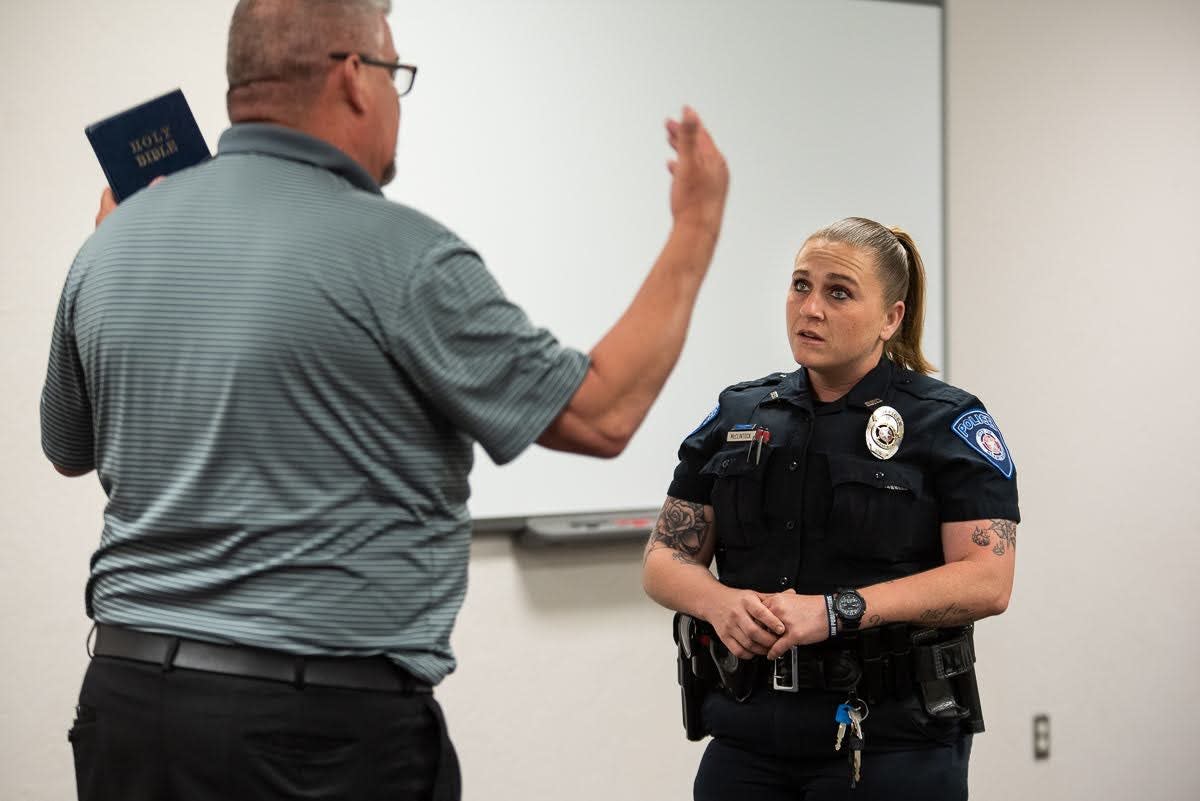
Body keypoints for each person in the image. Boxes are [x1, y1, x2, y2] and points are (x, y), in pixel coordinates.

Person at [41, 1, 728, 799]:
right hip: (311, 739)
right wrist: (698, 224)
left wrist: (118, 243)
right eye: (397, 74)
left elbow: (68, 446)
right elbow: (604, 411)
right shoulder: (400, 253)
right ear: (352, 79)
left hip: (125, 711)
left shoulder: (109, 244)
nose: (398, 100)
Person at [642, 217, 1018, 801]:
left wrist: (836, 611)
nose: (809, 308)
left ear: (891, 318)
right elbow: (665, 559)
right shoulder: (739, 413)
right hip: (747, 738)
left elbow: (988, 580)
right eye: (800, 286)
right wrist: (719, 604)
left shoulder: (943, 422)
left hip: (888, 743)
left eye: (838, 292)